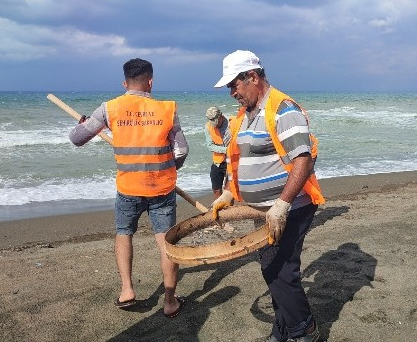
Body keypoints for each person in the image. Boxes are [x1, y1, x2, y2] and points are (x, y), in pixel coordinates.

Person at [211, 50, 325, 342]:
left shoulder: (283, 109)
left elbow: (303, 160)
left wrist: (282, 205)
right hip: (259, 210)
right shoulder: (243, 114)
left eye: (234, 84)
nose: (232, 92)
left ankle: (304, 330)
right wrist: (226, 192)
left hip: (291, 207)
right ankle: (284, 329)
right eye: (228, 87)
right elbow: (237, 158)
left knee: (280, 270)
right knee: (272, 268)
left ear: (253, 76)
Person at [69, 58, 188, 318]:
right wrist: (168, 168)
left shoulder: (109, 108)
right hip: (162, 188)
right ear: (151, 81)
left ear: (125, 83)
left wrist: (84, 124)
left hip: (128, 188)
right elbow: (182, 149)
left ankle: (127, 290)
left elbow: (77, 138)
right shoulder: (167, 109)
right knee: (166, 241)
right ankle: (170, 302)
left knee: (124, 233)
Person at [204, 106, 231, 199]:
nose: (214, 125)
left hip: (232, 161)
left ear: (221, 116)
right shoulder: (208, 126)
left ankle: (229, 210)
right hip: (218, 162)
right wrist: (226, 150)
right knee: (216, 189)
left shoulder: (232, 122)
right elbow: (210, 146)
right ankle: (220, 209)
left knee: (229, 191)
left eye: (216, 121)